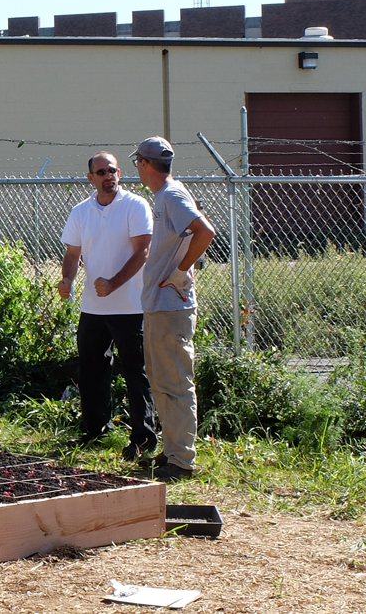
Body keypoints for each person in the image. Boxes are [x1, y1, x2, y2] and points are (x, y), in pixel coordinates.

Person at [57, 152, 155, 459]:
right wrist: (67, 280)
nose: (107, 175)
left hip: (130, 307)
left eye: (111, 170)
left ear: (119, 173)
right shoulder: (80, 211)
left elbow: (143, 251)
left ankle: (142, 439)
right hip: (93, 308)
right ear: (91, 178)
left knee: (135, 373)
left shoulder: (135, 206)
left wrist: (112, 283)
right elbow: (73, 254)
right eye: (100, 172)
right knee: (92, 371)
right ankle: (95, 431)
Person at [132, 137, 216, 481]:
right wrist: (181, 262)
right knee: (162, 381)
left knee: (176, 383)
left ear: (143, 164)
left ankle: (181, 461)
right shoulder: (165, 195)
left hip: (170, 306)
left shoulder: (171, 195)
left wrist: (181, 271)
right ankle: (172, 453)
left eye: (138, 161)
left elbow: (205, 231)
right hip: (159, 304)